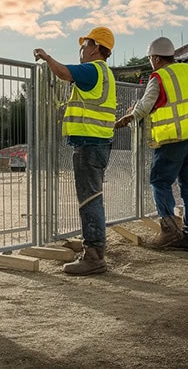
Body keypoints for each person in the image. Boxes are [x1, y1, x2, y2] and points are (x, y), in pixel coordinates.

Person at [33, 27, 117, 276]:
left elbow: (64, 73)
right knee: (93, 197)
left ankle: (94, 256)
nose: (81, 49)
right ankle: (95, 249)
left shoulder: (93, 69)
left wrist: (48, 58)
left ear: (96, 48)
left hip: (90, 144)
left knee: (89, 199)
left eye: (85, 44)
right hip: (98, 142)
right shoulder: (106, 74)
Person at [115, 37, 188, 254]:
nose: (150, 62)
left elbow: (147, 104)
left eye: (150, 58)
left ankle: (169, 231)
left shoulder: (159, 76)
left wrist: (128, 117)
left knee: (159, 181)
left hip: (174, 138)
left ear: (156, 58)